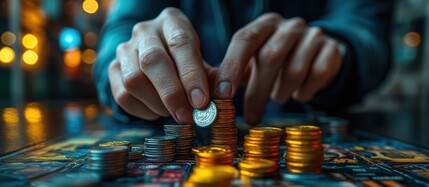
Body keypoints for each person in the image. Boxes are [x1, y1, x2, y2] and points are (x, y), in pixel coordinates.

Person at [94, 0, 393, 125]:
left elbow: (370, 31)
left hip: (313, 118)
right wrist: (125, 65)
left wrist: (341, 49)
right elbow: (120, 33)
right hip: (173, 129)